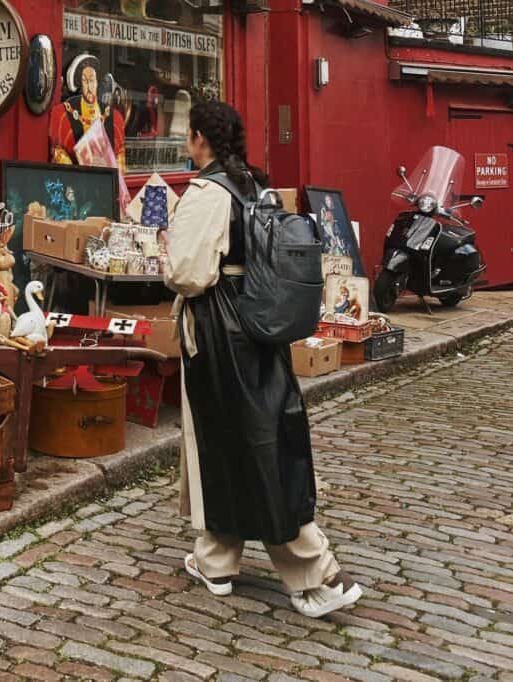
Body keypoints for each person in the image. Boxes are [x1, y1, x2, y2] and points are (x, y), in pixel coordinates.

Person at [162, 101, 362, 618]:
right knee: (238, 437)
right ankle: (216, 560)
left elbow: (188, 273)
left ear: (202, 138)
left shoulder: (207, 193)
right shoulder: (256, 185)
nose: (187, 143)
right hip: (259, 326)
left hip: (218, 332)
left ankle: (314, 573)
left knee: (251, 445)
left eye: (190, 135)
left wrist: (168, 251)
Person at [49, 54, 125, 171]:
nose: (89, 86)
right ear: (79, 84)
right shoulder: (63, 114)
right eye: (85, 80)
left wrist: (115, 179)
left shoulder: (115, 118)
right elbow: (59, 154)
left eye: (92, 80)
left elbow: (120, 158)